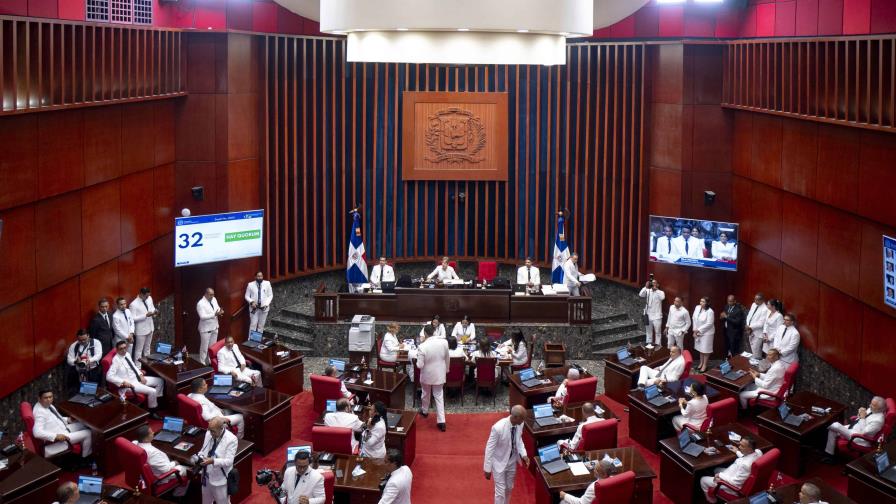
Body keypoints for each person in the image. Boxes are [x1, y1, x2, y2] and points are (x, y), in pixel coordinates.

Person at [106, 340, 165, 418]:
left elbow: (133, 366)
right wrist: (123, 381)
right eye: (121, 349)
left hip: (137, 379)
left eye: (125, 348)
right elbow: (109, 376)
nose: (123, 350)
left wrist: (140, 375)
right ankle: (152, 412)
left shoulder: (127, 354)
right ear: (117, 350)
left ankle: (154, 403)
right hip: (131, 384)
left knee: (160, 381)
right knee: (152, 391)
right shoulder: (116, 360)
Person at [483, 405, 529, 504]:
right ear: (516, 417)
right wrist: (487, 468)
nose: (524, 420)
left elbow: (519, 439)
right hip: (499, 462)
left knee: (509, 488)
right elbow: (489, 448)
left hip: (512, 461)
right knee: (500, 491)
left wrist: (524, 454)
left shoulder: (520, 424)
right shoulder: (497, 428)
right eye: (522, 418)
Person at [32, 389, 93, 458]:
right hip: (60, 438)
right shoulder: (39, 413)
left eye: (50, 397)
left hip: (63, 428)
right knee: (88, 433)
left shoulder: (48, 405)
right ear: (39, 399)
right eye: (46, 398)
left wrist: (68, 419)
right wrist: (56, 436)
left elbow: (57, 418)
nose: (49, 399)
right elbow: (36, 433)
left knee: (85, 424)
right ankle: (86, 458)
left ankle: (83, 448)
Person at [700, 436, 762, 503]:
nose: (739, 447)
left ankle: (711, 499)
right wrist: (737, 452)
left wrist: (720, 475)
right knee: (716, 469)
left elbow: (735, 483)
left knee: (703, 479)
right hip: (733, 472)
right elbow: (746, 457)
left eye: (742, 446)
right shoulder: (758, 452)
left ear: (750, 449)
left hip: (730, 485)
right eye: (740, 444)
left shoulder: (745, 465)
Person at [133, 425, 189, 494]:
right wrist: (175, 462)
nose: (153, 433)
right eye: (151, 433)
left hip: (149, 471)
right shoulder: (153, 453)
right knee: (189, 470)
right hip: (162, 476)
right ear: (146, 439)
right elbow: (166, 469)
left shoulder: (134, 444)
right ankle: (179, 493)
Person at [197, 417, 237, 504]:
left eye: (213, 431)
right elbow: (203, 450)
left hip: (219, 480)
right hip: (205, 477)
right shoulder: (208, 433)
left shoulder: (231, 439)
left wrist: (213, 461)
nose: (211, 433)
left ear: (221, 428)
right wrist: (200, 456)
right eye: (210, 430)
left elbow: (229, 461)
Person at [417, 326, 450, 431]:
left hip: (427, 374)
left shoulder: (422, 346)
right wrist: (447, 370)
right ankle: (441, 421)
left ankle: (425, 411)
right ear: (435, 331)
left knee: (425, 393)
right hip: (440, 373)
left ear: (425, 334)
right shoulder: (444, 342)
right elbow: (447, 358)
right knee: (439, 396)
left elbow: (419, 365)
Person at [66, 329, 103, 394]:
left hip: (92, 372)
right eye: (80, 340)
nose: (82, 341)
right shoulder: (74, 346)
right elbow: (69, 359)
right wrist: (75, 361)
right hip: (79, 373)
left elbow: (98, 355)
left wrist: (90, 360)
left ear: (88, 336)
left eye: (84, 339)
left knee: (93, 392)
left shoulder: (96, 342)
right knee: (81, 393)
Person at [130, 287, 159, 361]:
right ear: (141, 294)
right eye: (146, 296)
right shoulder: (133, 304)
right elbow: (132, 319)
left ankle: (148, 365)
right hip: (141, 330)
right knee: (139, 350)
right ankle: (138, 368)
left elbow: (152, 308)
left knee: (147, 348)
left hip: (150, 327)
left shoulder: (149, 298)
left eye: (148, 296)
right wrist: (145, 315)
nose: (147, 297)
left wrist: (154, 312)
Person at [197, 288, 224, 365]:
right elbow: (202, 316)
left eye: (213, 294)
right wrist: (214, 314)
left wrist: (220, 311)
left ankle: (211, 362)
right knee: (204, 348)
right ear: (206, 294)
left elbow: (217, 308)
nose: (212, 296)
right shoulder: (200, 303)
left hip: (215, 327)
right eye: (210, 295)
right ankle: (202, 364)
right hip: (205, 329)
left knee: (213, 347)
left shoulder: (214, 299)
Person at [692, 297, 715, 373]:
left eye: (703, 302)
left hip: (707, 333)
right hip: (698, 332)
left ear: (707, 303)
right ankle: (701, 363)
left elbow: (709, 324)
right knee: (700, 349)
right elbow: (694, 318)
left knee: (705, 350)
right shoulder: (697, 307)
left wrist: (698, 330)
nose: (701, 303)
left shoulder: (710, 311)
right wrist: (695, 330)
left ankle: (705, 365)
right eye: (700, 301)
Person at [639, 278, 665, 345]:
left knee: (658, 333)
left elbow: (662, 298)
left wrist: (656, 290)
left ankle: (658, 347)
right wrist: (646, 286)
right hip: (648, 315)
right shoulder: (648, 291)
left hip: (657, 316)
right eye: (652, 283)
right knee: (648, 331)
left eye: (655, 283)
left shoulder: (660, 292)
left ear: (657, 285)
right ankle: (649, 346)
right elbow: (641, 294)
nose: (653, 284)